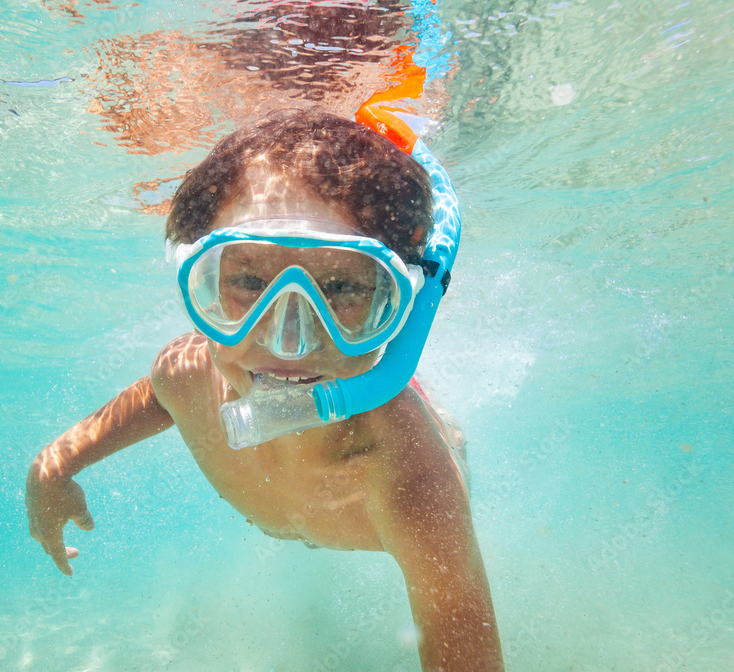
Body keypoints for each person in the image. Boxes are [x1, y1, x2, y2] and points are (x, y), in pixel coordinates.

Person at [26, 108, 504, 671]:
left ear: (403, 305)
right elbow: (158, 397)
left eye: (342, 286)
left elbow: (459, 631)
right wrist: (54, 467)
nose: (288, 343)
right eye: (250, 282)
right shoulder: (187, 375)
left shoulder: (412, 479)